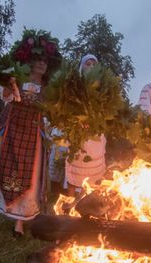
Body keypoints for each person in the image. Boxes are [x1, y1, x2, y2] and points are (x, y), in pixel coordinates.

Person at [0, 31, 62, 237]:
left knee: (29, 173)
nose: (42, 64)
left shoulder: (49, 88)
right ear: (30, 61)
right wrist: (10, 83)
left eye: (45, 61)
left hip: (32, 132)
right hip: (10, 126)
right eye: (39, 60)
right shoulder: (18, 78)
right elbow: (6, 97)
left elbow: (51, 110)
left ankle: (20, 222)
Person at [64, 54, 107, 198]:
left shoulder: (103, 88)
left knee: (94, 172)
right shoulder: (74, 85)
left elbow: (107, 110)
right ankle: (69, 208)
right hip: (77, 131)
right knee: (75, 166)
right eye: (88, 64)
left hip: (95, 134)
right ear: (81, 66)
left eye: (94, 64)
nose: (91, 67)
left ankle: (92, 207)